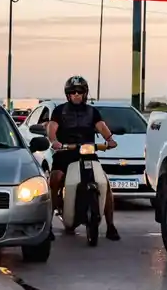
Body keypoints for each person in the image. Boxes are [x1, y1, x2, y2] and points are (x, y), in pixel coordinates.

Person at [45, 76, 120, 241]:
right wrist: (54, 141)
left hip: (88, 152)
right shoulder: (59, 111)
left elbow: (101, 127)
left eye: (80, 91)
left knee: (105, 184)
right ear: (68, 95)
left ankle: (111, 226)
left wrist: (109, 139)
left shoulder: (92, 112)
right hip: (65, 152)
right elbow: (52, 128)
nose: (77, 94)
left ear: (85, 93)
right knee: (55, 179)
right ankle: (47, 225)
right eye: (73, 92)